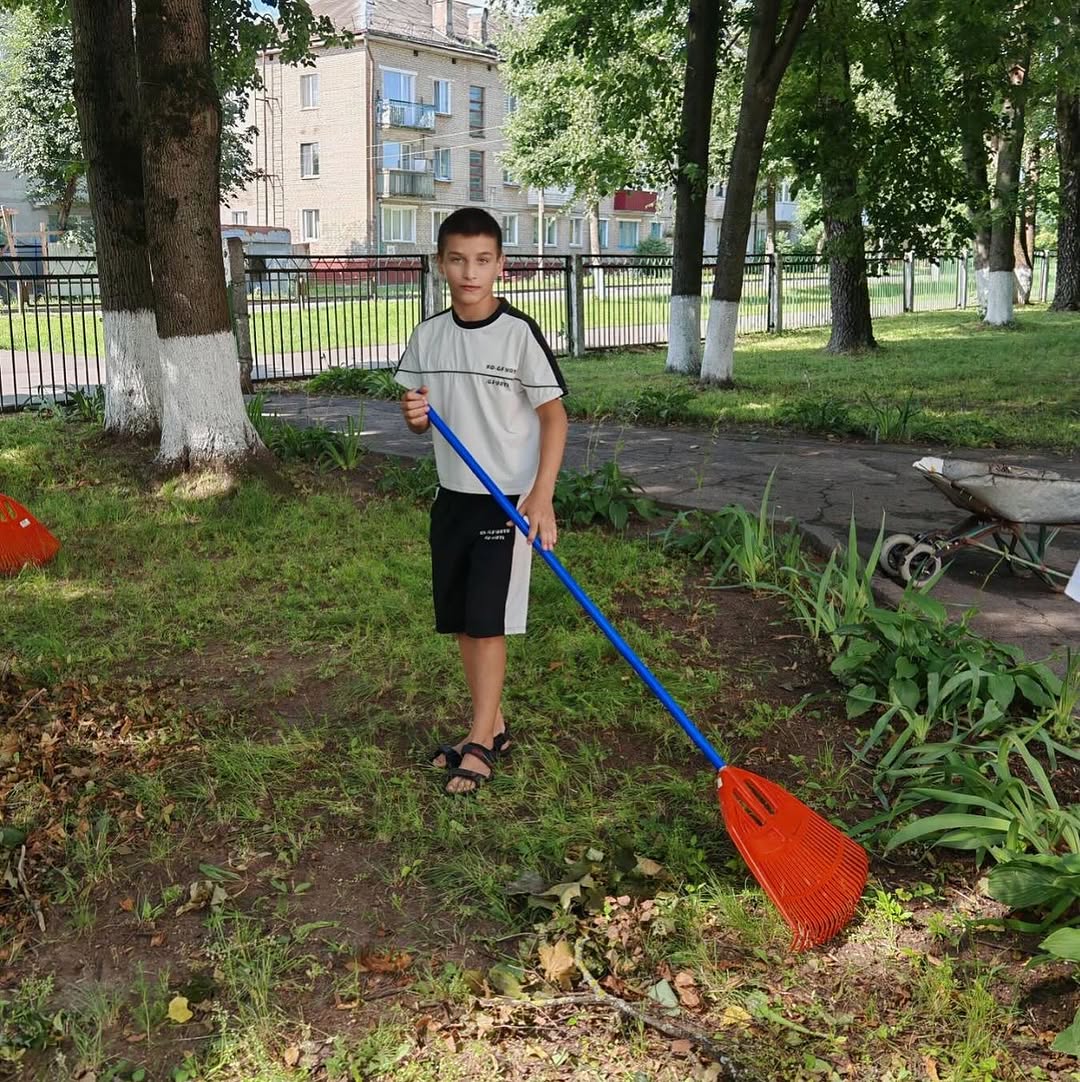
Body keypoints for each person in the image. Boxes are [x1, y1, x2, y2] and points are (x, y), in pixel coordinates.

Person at [395, 207, 569, 795]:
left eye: (483, 260)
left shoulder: (518, 334)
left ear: (501, 265)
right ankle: (491, 726)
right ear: (441, 263)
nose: (470, 272)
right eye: (458, 259)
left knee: (488, 625)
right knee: (464, 622)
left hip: (505, 502)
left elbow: (555, 417)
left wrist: (540, 497)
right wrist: (414, 414)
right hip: (453, 497)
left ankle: (479, 742)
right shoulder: (429, 335)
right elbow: (418, 412)